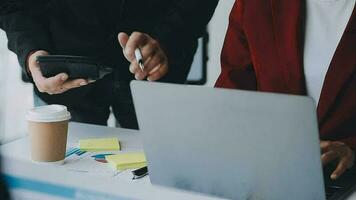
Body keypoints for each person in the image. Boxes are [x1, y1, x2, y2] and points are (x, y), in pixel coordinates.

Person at [0, 0, 218, 129]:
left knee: (151, 186)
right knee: (63, 182)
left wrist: (168, 39)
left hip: (155, 67)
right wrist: (30, 51)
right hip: (64, 70)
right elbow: (13, 4)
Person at [215, 0, 355, 180]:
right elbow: (230, 99)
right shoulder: (255, 5)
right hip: (270, 175)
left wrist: (351, 150)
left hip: (348, 180)